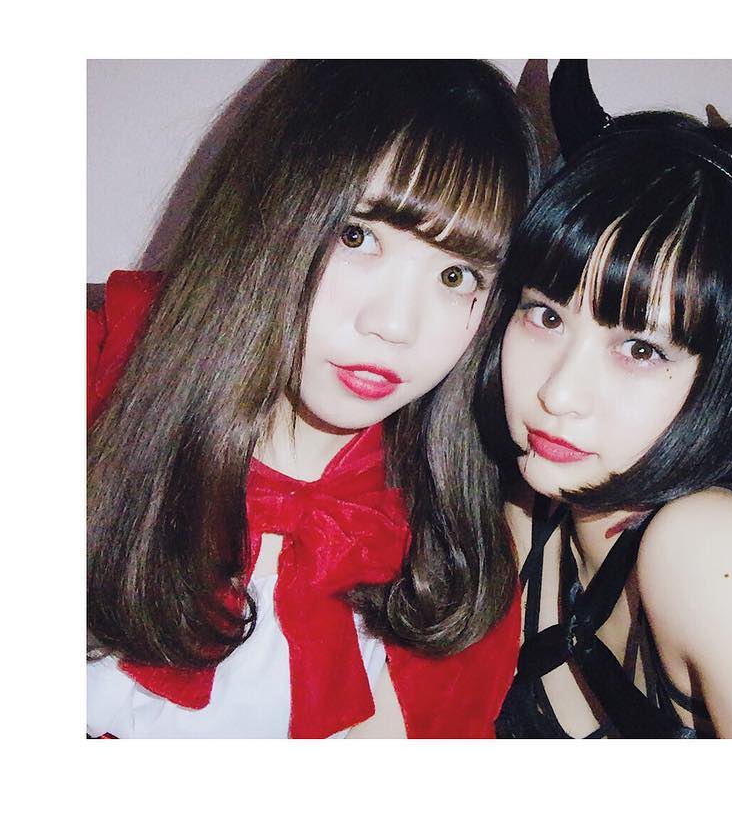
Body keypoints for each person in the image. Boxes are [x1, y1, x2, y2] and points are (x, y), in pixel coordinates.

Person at [87, 59, 537, 738]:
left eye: (456, 275)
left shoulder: (452, 562)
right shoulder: (91, 378)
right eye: (357, 236)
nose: (395, 325)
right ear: (268, 211)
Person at [476, 61, 732, 738]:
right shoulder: (533, 514)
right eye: (546, 316)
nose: (558, 393)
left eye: (640, 349)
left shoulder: (712, 550)